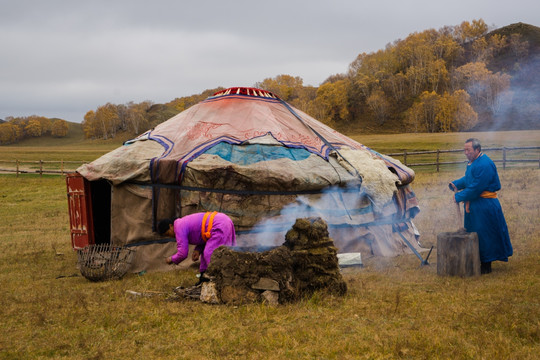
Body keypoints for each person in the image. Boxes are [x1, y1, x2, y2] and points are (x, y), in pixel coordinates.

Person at [449, 138, 513, 274]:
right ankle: (476, 259)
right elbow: (469, 179)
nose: (466, 153)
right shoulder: (473, 162)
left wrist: (459, 196)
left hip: (485, 205)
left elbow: (476, 187)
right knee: (474, 232)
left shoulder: (484, 164)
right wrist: (456, 184)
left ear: (477, 150)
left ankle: (486, 265)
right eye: (464, 150)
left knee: (485, 234)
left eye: (469, 150)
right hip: (475, 205)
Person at [158, 211, 237, 282]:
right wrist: (198, 250)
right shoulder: (181, 223)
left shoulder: (178, 227)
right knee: (205, 253)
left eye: (168, 234)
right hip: (223, 220)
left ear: (171, 226)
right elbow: (202, 233)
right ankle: (203, 278)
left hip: (219, 224)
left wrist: (171, 259)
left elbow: (182, 253)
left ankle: (216, 279)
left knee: (209, 253)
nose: (170, 236)